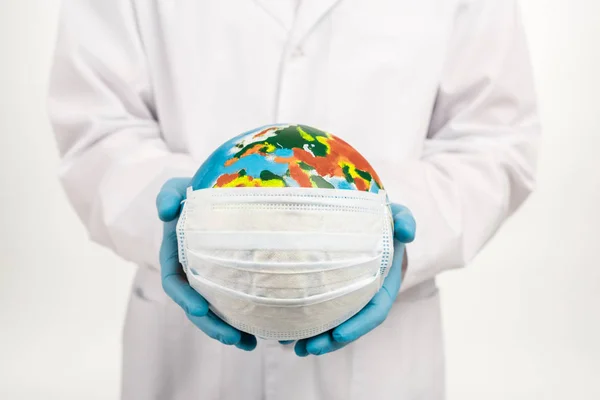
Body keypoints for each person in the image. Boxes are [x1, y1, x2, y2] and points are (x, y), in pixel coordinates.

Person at [48, 0, 540, 399]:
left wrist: (380, 234)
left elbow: (491, 142)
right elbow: (98, 130)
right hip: (189, 357)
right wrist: (188, 221)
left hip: (380, 364)